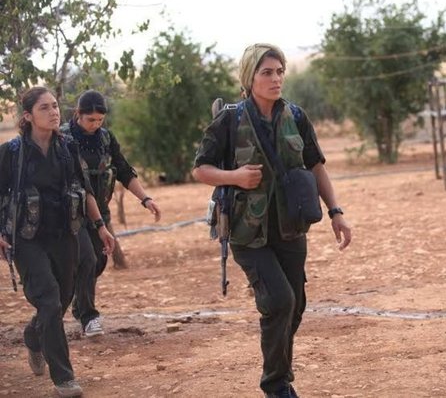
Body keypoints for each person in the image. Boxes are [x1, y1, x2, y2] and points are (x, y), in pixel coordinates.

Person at [192, 43, 352, 398]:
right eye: (267, 72)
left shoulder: (295, 115)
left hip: (291, 227)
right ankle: (276, 385)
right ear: (250, 77)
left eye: (280, 71)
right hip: (248, 232)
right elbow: (201, 169)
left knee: (294, 306)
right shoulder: (230, 120)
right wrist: (234, 177)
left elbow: (315, 165)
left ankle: (279, 370)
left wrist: (336, 212)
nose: (276, 78)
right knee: (279, 301)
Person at [0, 86, 115, 397]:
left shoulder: (67, 148)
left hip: (65, 235)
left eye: (54, 106)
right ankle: (64, 378)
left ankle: (33, 336)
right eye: (44, 108)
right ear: (27, 116)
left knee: (61, 300)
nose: (53, 112)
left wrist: (100, 227)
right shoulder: (12, 153)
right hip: (27, 239)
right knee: (49, 299)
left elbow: (85, 190)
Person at [60, 89, 162, 337]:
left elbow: (124, 171)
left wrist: (145, 199)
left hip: (100, 211)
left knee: (98, 261)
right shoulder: (62, 138)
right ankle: (88, 316)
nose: (95, 125)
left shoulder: (106, 139)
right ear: (78, 114)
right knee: (86, 260)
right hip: (72, 213)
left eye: (100, 120)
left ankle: (76, 304)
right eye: (90, 120)